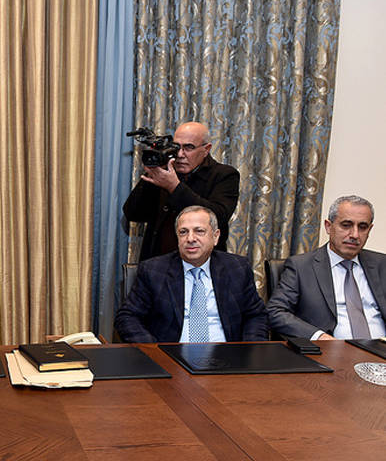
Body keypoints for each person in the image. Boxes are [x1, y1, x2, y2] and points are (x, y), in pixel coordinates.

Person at [115, 205, 268, 343]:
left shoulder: (236, 268)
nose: (190, 239)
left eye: (199, 231)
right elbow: (128, 317)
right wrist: (154, 351)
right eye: (183, 232)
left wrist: (249, 350)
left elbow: (256, 315)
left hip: (227, 355)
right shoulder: (154, 270)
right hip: (170, 356)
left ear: (215, 236)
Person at [267, 195, 386, 340]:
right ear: (328, 226)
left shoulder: (381, 264)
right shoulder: (301, 267)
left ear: (370, 229)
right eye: (346, 225)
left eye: (362, 227)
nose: (355, 235)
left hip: (380, 348)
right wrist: (320, 337)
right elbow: (275, 311)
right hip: (331, 349)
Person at [122, 122, 239, 261]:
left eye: (188, 147)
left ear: (206, 149)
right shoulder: (167, 170)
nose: (180, 154)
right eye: (176, 147)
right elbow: (133, 213)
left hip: (202, 264)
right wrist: (152, 173)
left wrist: (174, 187)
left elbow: (218, 216)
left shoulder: (224, 175)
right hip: (159, 263)